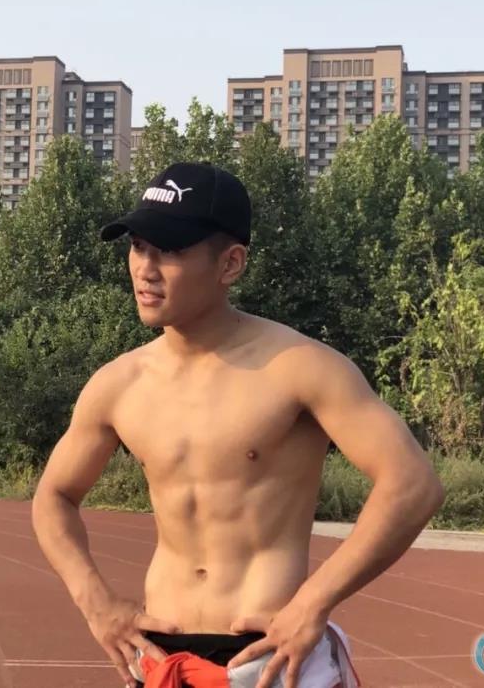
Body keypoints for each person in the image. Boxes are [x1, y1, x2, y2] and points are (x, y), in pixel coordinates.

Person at [31, 161, 445, 688]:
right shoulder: (119, 384)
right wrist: (96, 603)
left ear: (230, 263)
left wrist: (313, 603)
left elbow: (412, 484)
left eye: (170, 250)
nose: (145, 268)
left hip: (271, 660)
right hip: (162, 657)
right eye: (138, 246)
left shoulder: (299, 366)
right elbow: (54, 496)